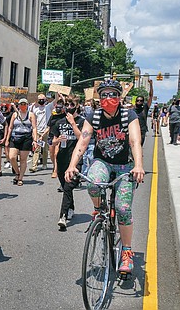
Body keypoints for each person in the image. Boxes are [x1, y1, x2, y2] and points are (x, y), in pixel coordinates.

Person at [64, 80, 145, 273]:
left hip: (125, 165)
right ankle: (98, 209)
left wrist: (139, 166)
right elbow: (83, 142)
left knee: (123, 208)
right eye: (105, 95)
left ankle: (126, 251)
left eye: (113, 94)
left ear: (120, 97)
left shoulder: (128, 115)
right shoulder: (94, 116)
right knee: (93, 182)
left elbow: (135, 141)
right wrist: (72, 165)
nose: (109, 98)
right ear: (99, 98)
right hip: (104, 162)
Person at [52, 101, 84, 230]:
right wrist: (57, 140)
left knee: (68, 186)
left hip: (75, 160)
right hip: (62, 158)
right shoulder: (59, 122)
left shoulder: (82, 122)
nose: (69, 108)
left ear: (77, 106)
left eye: (72, 105)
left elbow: (82, 138)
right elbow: (53, 141)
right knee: (66, 187)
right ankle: (70, 207)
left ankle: (63, 217)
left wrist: (72, 123)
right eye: (68, 105)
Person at [5, 98, 37, 186]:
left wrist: (35, 140)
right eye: (21, 104)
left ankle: (20, 178)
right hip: (15, 137)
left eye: (24, 104)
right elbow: (10, 127)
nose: (23, 106)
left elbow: (34, 128)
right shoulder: (15, 115)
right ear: (18, 105)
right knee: (12, 157)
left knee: (23, 159)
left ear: (27, 105)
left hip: (26, 138)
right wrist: (7, 139)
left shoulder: (31, 115)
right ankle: (17, 172)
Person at [29, 93, 55, 172]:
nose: (41, 101)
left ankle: (44, 164)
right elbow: (30, 116)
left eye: (42, 99)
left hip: (46, 131)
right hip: (38, 131)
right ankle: (34, 166)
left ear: (45, 100)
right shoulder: (35, 109)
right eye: (39, 99)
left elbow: (55, 100)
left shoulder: (48, 107)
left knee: (45, 149)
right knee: (36, 149)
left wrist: (57, 92)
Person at [47, 101, 66, 179]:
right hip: (51, 135)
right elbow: (48, 126)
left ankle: (55, 170)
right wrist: (42, 136)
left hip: (60, 136)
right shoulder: (52, 116)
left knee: (56, 153)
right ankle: (55, 165)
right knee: (51, 154)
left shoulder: (64, 116)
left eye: (60, 107)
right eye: (57, 107)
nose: (58, 109)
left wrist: (61, 96)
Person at [133, 79, 154, 146]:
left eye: (141, 100)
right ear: (136, 101)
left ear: (143, 102)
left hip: (142, 130)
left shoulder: (145, 108)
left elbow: (150, 96)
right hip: (133, 130)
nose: (139, 102)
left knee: (139, 145)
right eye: (138, 100)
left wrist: (151, 84)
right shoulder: (132, 109)